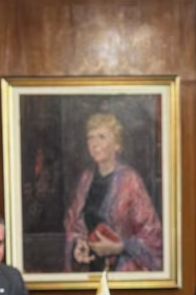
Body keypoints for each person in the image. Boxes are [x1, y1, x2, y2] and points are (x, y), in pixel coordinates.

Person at [63, 112, 163, 272]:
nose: (94, 144)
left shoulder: (130, 180)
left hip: (122, 272)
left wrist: (119, 247)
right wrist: (79, 244)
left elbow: (152, 234)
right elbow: (74, 223)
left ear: (117, 145)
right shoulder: (86, 180)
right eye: (90, 138)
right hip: (90, 270)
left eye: (101, 137)